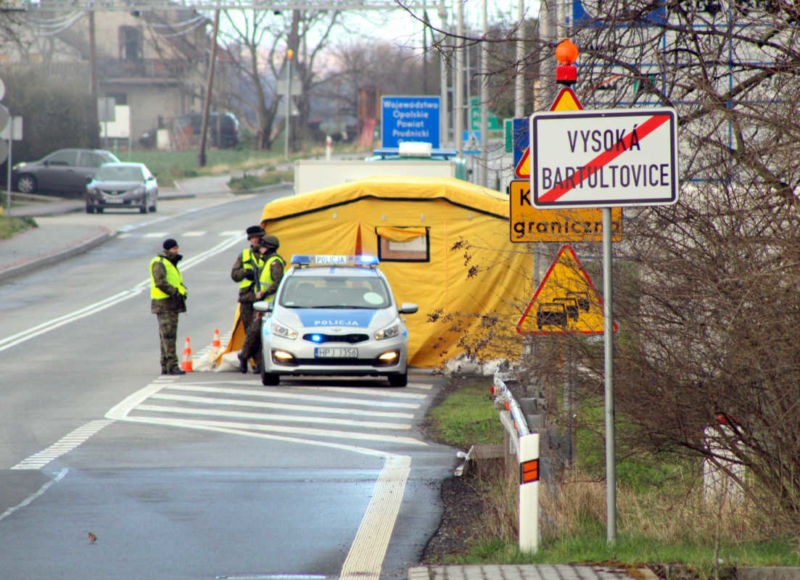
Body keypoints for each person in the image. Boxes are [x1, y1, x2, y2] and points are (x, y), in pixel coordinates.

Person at [237, 235, 285, 374]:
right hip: (263, 304)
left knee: (257, 333)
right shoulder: (266, 261)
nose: (260, 248)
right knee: (253, 332)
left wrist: (263, 293)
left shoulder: (275, 262)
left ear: (268, 247)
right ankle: (246, 357)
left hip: (271, 305)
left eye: (263, 246)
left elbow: (277, 282)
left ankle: (245, 356)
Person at [231, 225, 268, 373]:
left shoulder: (268, 253)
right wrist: (246, 272)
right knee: (250, 332)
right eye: (253, 238)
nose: (256, 241)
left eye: (258, 238)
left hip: (263, 299)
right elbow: (234, 275)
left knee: (258, 332)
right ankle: (256, 362)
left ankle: (247, 357)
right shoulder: (244, 255)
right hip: (247, 298)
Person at [150, 238, 187, 375]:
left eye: (177, 248)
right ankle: (172, 365)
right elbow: (160, 282)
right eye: (174, 249)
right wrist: (175, 292)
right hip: (164, 304)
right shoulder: (160, 263)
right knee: (169, 336)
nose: (176, 251)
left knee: (167, 336)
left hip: (170, 304)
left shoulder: (170, 262)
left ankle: (166, 365)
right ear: (167, 250)